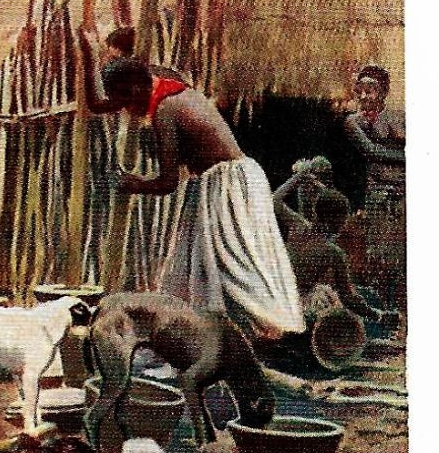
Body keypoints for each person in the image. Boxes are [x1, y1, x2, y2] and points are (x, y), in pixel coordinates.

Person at [81, 55, 304, 340]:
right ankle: (200, 336)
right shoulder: (161, 82)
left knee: (240, 269)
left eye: (125, 99)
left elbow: (167, 182)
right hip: (217, 184)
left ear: (137, 87)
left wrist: (133, 182)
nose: (124, 108)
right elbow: (99, 104)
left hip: (229, 187)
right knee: (192, 269)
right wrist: (87, 56)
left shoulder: (166, 110)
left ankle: (271, 335)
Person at [275, 186, 394, 328]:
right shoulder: (333, 253)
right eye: (343, 219)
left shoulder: (298, 225)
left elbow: (275, 200)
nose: (344, 224)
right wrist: (378, 316)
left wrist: (298, 177)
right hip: (295, 308)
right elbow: (348, 298)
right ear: (334, 219)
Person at [345, 65, 405, 310]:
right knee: (376, 255)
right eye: (360, 90)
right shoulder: (353, 122)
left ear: (383, 92)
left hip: (402, 193)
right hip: (377, 194)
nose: (363, 96)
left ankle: (396, 311)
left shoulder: (397, 117)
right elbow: (372, 152)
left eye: (371, 90)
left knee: (398, 255)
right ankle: (380, 310)